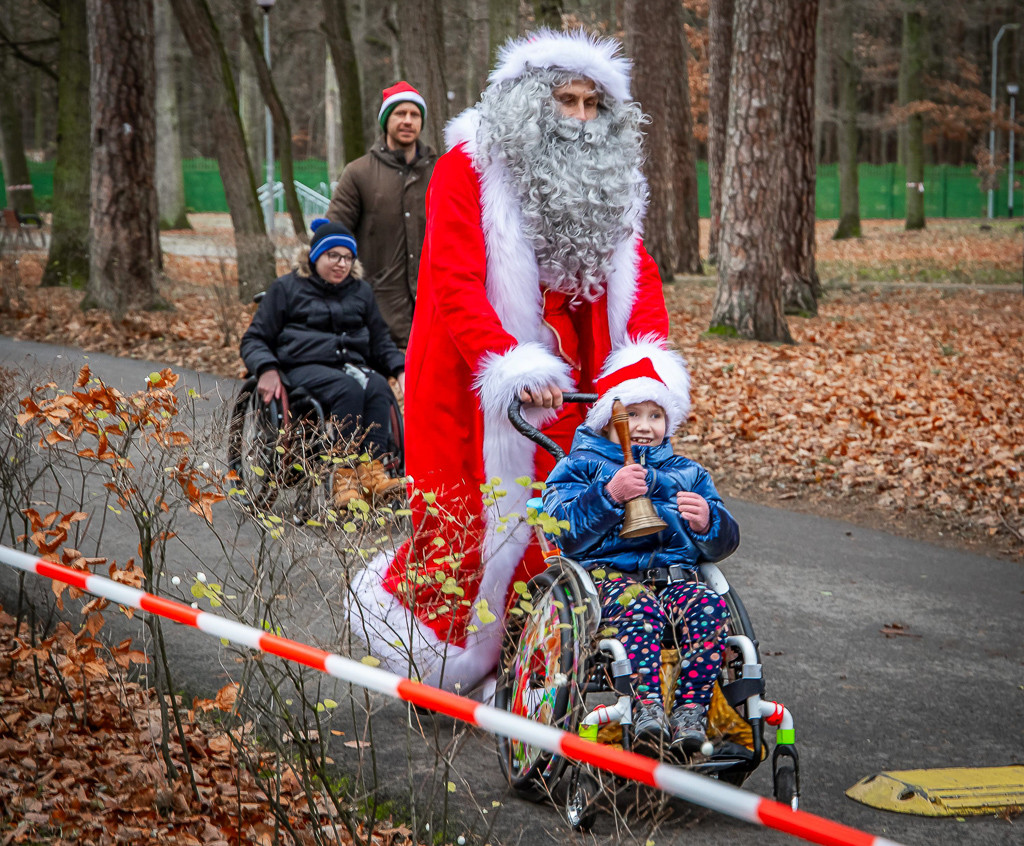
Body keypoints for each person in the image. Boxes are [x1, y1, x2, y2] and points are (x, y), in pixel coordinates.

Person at [347, 30, 671, 693]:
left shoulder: (613, 182)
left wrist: (642, 377)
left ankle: (533, 665)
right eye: (566, 101)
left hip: (574, 383)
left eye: (591, 104)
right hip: (469, 379)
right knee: (466, 524)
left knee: (562, 522)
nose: (580, 118)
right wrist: (509, 364)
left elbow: (637, 280)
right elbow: (452, 278)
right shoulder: (467, 167)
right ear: (530, 103)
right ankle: (441, 657)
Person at [541, 345, 740, 755]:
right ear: (608, 420)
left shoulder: (689, 472)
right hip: (609, 580)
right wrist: (608, 495)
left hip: (676, 579)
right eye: (632, 414)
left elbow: (725, 542)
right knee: (640, 607)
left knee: (709, 607)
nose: (645, 426)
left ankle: (689, 712)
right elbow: (562, 530)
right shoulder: (581, 466)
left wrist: (709, 522)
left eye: (656, 415)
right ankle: (646, 707)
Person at [240, 218, 406, 509]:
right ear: (315, 256)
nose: (341, 264)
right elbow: (254, 339)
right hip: (300, 367)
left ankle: (372, 474)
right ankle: (343, 480)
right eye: (333, 256)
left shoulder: (360, 291)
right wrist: (266, 369)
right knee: (348, 389)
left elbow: (380, 342)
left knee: (379, 386)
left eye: (347, 257)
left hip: (347, 366)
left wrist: (400, 369)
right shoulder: (287, 288)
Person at [326, 81, 438, 349]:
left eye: (415, 115)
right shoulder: (358, 173)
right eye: (400, 114)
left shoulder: (440, 172)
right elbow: (333, 235)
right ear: (386, 120)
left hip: (433, 311)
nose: (408, 121)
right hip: (376, 313)